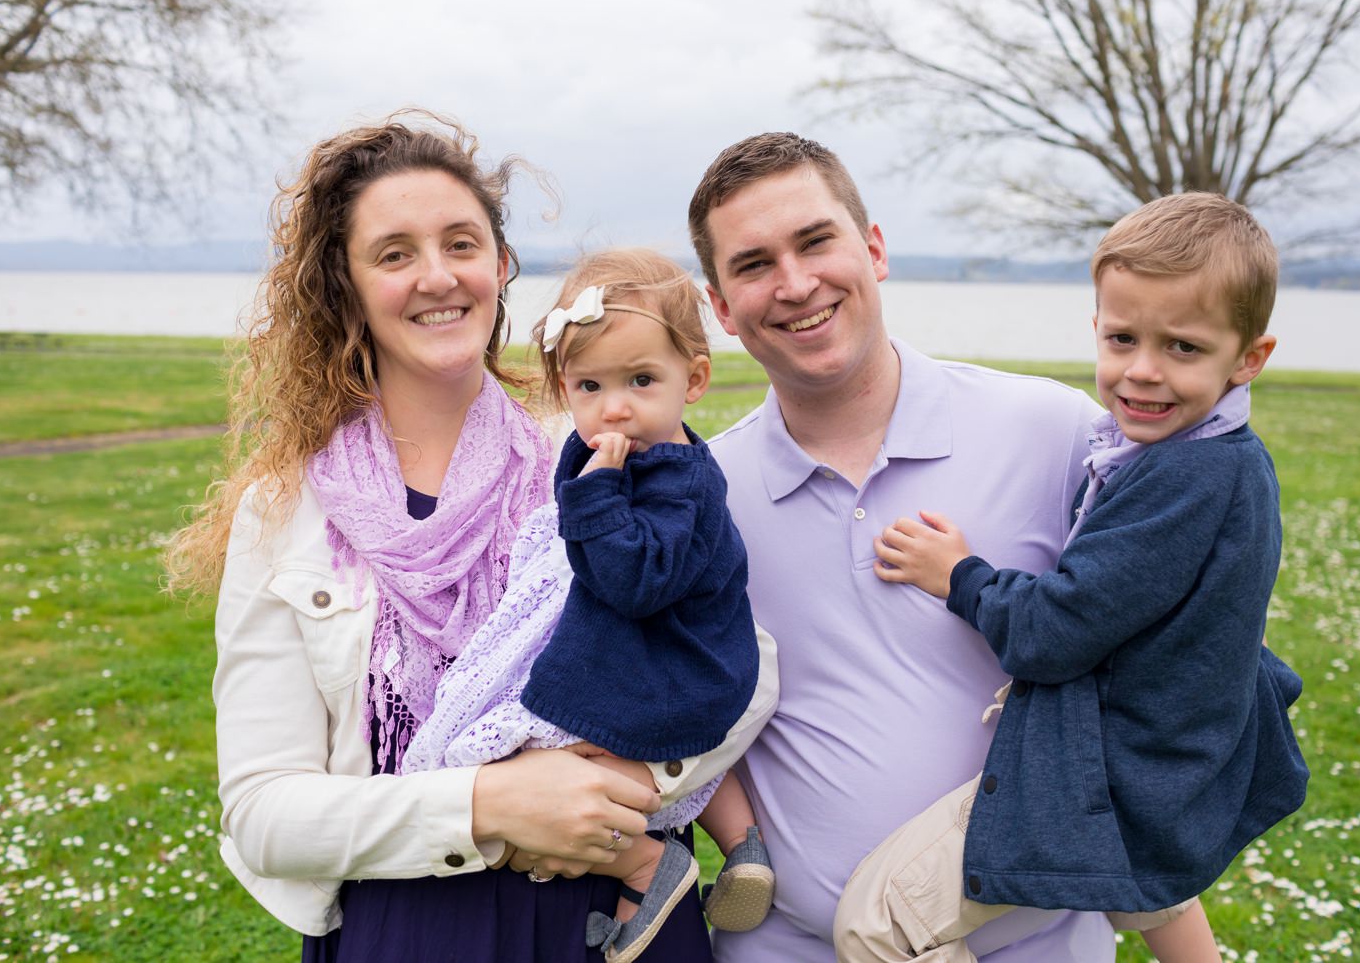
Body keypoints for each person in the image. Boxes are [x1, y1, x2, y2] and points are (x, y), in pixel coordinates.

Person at [164, 112, 777, 962]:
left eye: (461, 243)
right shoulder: (287, 512)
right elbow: (264, 813)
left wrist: (622, 789)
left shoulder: (598, 453)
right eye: (393, 253)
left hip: (615, 913)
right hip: (411, 926)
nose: (437, 276)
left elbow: (738, 658)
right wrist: (488, 807)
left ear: (498, 266)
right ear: (344, 285)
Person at [835, 192, 1310, 963]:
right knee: (1152, 889)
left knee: (876, 921)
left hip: (1116, 774)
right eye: (1123, 337)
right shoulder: (1220, 456)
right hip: (1167, 758)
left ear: (1249, 357)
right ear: (1096, 326)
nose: (1142, 372)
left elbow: (1055, 632)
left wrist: (960, 574)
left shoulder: (1188, 475)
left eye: (1183, 348)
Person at [688, 131, 1117, 962]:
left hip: (1039, 942)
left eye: (817, 241)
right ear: (720, 307)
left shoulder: (1054, 430)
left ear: (874, 248)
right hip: (791, 946)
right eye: (753, 264)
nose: (796, 283)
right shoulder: (703, 494)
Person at [402, 248, 776, 962]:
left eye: (641, 379)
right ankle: (740, 843)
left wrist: (596, 495)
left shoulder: (678, 479)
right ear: (563, 386)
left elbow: (634, 578)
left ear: (694, 377)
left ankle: (642, 864)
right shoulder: (634, 455)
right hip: (674, 653)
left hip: (671, 660)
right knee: (640, 745)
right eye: (590, 385)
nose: (616, 407)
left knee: (524, 753)